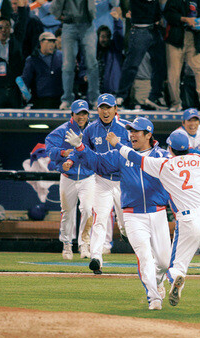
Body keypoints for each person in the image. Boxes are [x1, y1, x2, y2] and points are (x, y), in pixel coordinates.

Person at [106, 128, 200, 313]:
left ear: (170, 148)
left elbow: (135, 157)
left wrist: (117, 144)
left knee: (176, 266)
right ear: (189, 147)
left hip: (188, 219)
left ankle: (175, 278)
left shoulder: (165, 165)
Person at [64, 116, 171, 310]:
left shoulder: (162, 155)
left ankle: (157, 280)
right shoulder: (121, 154)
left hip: (158, 213)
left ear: (148, 135)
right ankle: (153, 296)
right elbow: (98, 162)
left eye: (136, 131)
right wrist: (80, 147)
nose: (131, 135)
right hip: (133, 215)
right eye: (130, 131)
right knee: (145, 256)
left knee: (164, 261)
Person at [81, 93, 129, 274]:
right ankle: (96, 258)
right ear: (97, 109)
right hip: (102, 180)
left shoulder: (126, 128)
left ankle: (124, 232)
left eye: (109, 107)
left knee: (127, 222)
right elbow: (84, 152)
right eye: (102, 107)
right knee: (99, 220)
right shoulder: (90, 130)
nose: (105, 111)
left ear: (116, 109)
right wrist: (71, 158)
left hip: (123, 182)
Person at [44, 99, 94, 260]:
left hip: (88, 176)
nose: (82, 116)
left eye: (84, 113)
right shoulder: (63, 130)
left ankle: (84, 243)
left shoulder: (92, 130)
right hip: (68, 176)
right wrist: (63, 153)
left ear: (88, 114)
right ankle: (67, 244)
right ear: (72, 114)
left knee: (87, 209)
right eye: (78, 113)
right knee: (67, 212)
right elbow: (49, 149)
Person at [115, 0, 166, 110]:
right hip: (139, 30)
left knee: (160, 65)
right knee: (132, 65)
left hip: (155, 30)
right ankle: (121, 96)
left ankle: (154, 97)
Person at [163, 0, 200, 112]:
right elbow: (168, 14)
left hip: (194, 38)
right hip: (176, 38)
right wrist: (185, 19)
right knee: (173, 73)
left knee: (199, 69)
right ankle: (176, 103)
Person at [50, 0, 99, 110]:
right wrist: (60, 15)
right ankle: (67, 100)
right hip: (69, 26)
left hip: (88, 26)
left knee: (92, 63)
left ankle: (95, 98)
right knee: (67, 65)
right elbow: (53, 8)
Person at [21, 31, 63, 109]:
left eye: (54, 42)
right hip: (40, 100)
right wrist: (25, 94)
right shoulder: (32, 60)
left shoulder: (61, 56)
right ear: (41, 43)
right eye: (49, 41)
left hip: (59, 99)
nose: (52, 44)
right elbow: (26, 79)